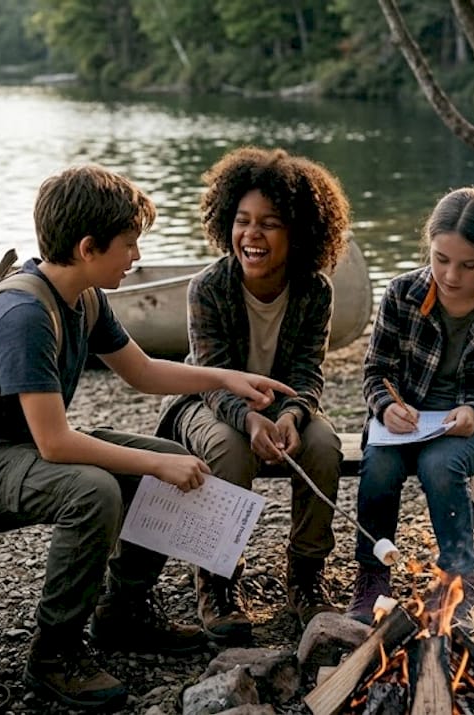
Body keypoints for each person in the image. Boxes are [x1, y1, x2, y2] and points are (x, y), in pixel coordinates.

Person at [0, 165, 297, 712]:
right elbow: (57, 444)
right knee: (96, 491)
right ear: (88, 247)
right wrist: (150, 469)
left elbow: (143, 372)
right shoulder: (24, 315)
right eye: (128, 245)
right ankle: (55, 652)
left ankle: (123, 612)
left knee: (172, 456)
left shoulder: (84, 297)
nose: (135, 257)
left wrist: (225, 377)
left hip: (30, 446)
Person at [155, 147, 351, 643]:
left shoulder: (315, 291)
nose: (252, 235)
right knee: (228, 449)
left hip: (280, 409)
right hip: (204, 403)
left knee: (325, 446)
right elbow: (209, 375)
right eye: (242, 221)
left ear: (300, 231)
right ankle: (217, 581)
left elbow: (308, 371)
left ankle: (306, 578)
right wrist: (249, 421)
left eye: (270, 223)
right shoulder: (209, 288)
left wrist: (290, 416)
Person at [346, 187, 474, 635]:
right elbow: (375, 371)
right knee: (377, 467)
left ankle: (460, 580)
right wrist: (387, 405)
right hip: (405, 425)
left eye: (469, 265)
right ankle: (373, 574)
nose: (451, 275)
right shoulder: (401, 294)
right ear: (428, 247)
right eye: (440, 259)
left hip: (471, 430)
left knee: (440, 463)